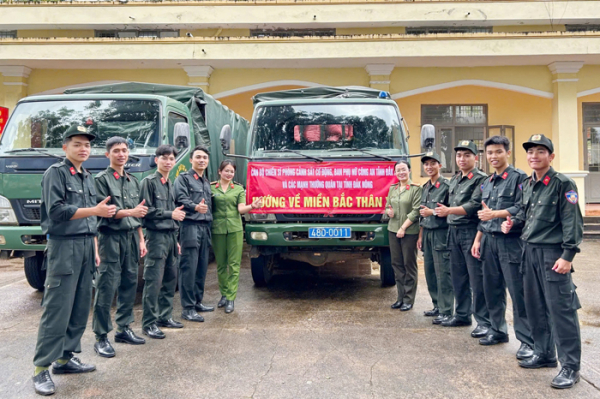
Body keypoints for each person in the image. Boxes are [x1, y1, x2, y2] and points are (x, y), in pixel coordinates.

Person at [32, 125, 116, 396]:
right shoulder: (55, 173)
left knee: (80, 306)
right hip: (63, 247)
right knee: (57, 308)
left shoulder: (86, 176)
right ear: (65, 147)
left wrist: (94, 247)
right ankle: (41, 368)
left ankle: (65, 358)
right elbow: (56, 212)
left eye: (87, 145)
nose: (83, 149)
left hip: (85, 247)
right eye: (78, 144)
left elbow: (90, 220)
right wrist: (95, 209)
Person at [502, 134, 583, 389]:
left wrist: (567, 256)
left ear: (551, 156)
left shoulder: (563, 184)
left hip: (552, 255)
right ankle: (545, 353)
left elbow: (572, 222)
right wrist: (513, 223)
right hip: (528, 252)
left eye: (540, 151)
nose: (534, 156)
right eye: (530, 152)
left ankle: (570, 367)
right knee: (534, 307)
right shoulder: (527, 184)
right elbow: (527, 216)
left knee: (561, 311)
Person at [471, 136, 534, 360]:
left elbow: (522, 206)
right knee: (492, 288)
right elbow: (483, 214)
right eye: (490, 153)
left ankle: (527, 341)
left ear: (508, 152)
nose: (494, 157)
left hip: (510, 242)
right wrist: (478, 239)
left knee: (518, 292)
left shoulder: (519, 178)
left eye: (498, 152)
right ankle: (497, 330)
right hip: (488, 241)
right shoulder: (487, 182)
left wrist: (496, 215)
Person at [92, 137, 147, 357]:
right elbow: (103, 212)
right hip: (110, 238)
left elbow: (139, 212)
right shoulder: (101, 180)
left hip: (131, 237)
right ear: (108, 155)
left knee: (129, 283)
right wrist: (130, 213)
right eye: (116, 151)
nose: (121, 154)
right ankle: (101, 336)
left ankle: (124, 328)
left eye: (124, 150)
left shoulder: (133, 181)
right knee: (106, 286)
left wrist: (141, 239)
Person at [435, 140, 490, 338]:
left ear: (475, 158)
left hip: (470, 231)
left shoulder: (481, 179)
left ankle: (483, 321)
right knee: (458, 276)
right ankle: (462, 314)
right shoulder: (456, 179)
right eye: (459, 155)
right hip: (453, 231)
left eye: (467, 155)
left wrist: (448, 210)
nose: (462, 159)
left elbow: (475, 204)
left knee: (477, 279)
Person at [140, 145, 187, 339]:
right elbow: (144, 211)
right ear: (156, 159)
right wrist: (170, 214)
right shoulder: (148, 182)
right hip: (156, 238)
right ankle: (148, 323)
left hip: (170, 237)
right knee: (153, 281)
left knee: (170, 279)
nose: (168, 162)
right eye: (164, 158)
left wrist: (176, 239)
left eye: (171, 159)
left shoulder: (170, 183)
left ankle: (164, 316)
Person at [211, 160, 263, 313]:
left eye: (231, 171)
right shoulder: (211, 188)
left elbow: (241, 209)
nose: (229, 174)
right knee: (221, 264)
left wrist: (252, 206)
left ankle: (231, 298)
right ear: (220, 172)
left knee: (234, 264)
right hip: (218, 230)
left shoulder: (239, 189)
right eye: (226, 171)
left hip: (234, 230)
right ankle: (224, 293)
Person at [174, 145, 214, 322]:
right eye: (198, 157)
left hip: (205, 227)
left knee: (201, 267)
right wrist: (195, 206)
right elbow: (180, 198)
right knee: (188, 268)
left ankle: (197, 301)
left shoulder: (205, 181)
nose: (202, 160)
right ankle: (187, 308)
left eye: (205, 157)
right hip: (190, 226)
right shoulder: (183, 179)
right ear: (191, 160)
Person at [417, 151, 454, 324]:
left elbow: (452, 211)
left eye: (433, 163)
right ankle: (437, 305)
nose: (429, 167)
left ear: (440, 165)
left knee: (443, 273)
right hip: (428, 234)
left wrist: (432, 212)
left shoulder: (447, 185)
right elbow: (422, 215)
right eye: (426, 164)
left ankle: (447, 310)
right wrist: (421, 236)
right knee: (430, 272)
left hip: (441, 233)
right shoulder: (425, 187)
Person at [385, 160, 422, 311]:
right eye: (398, 170)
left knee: (409, 265)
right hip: (393, 230)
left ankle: (408, 299)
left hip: (409, 232)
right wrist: (388, 210)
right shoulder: (393, 188)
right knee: (397, 264)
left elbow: (416, 211)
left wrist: (403, 227)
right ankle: (400, 297)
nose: (401, 172)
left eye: (403, 169)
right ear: (395, 173)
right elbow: (388, 204)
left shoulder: (415, 189)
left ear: (409, 171)